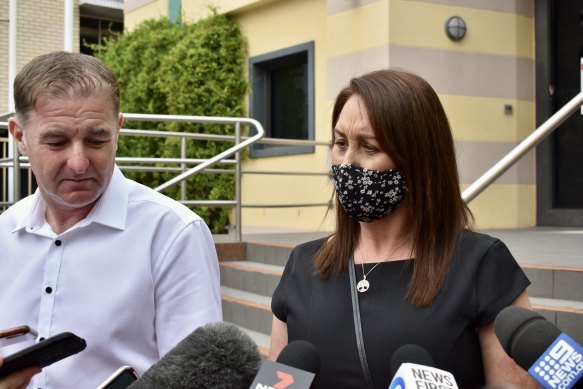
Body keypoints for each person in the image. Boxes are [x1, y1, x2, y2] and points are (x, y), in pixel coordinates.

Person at [269, 69, 538, 388]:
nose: (347, 162)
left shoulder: (481, 263)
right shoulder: (303, 264)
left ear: (419, 159)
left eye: (369, 148)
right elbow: (279, 378)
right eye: (341, 143)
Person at [0, 51, 222, 388]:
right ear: (19, 137)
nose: (78, 163)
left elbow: (201, 381)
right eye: (57, 141)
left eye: (96, 139)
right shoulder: (4, 234)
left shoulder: (172, 233)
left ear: (117, 130)